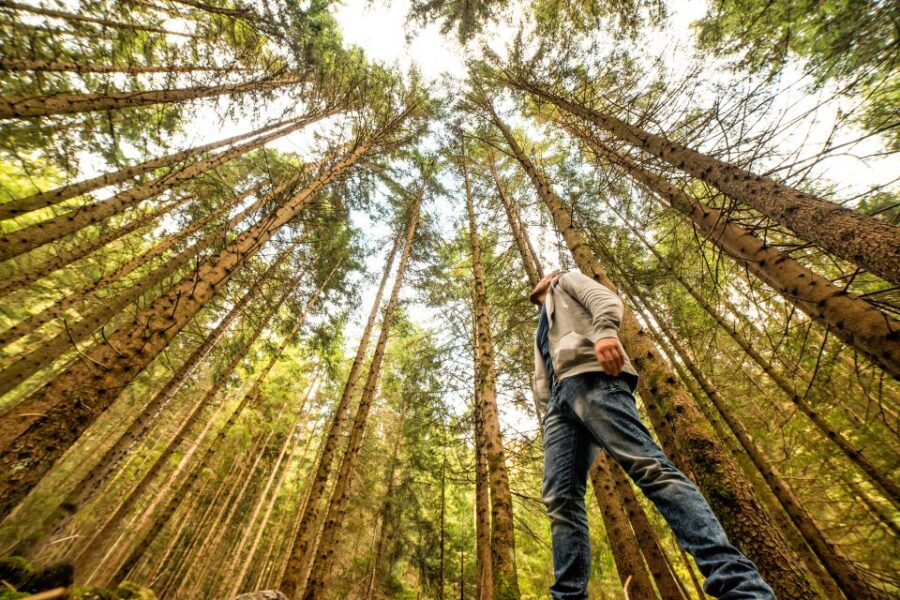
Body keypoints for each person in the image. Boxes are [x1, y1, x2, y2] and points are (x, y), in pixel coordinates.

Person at [531, 269, 775, 600]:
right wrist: (547, 408)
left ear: (553, 275)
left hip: (591, 376)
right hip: (559, 407)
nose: (536, 288)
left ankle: (740, 587)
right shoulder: (543, 321)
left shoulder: (567, 280)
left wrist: (604, 333)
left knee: (649, 467)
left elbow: (605, 299)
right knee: (560, 499)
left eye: (541, 281)